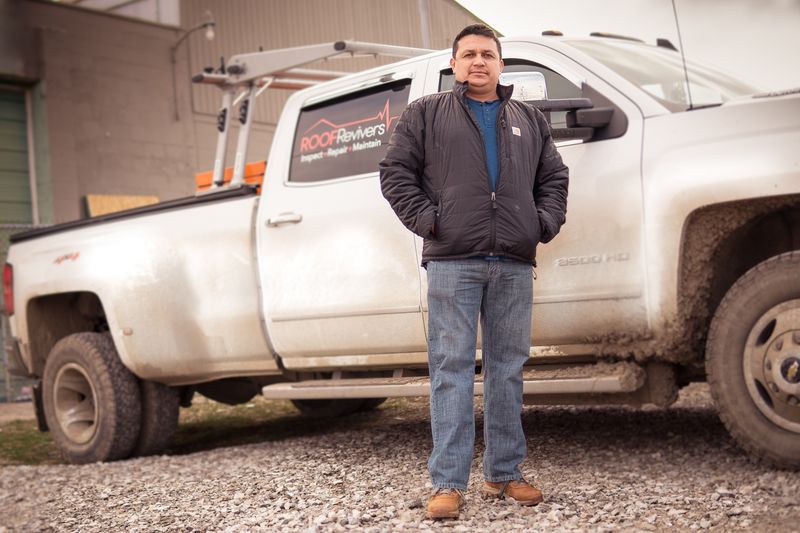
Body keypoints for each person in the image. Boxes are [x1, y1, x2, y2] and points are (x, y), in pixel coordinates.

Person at [379, 24, 569, 519]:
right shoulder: (426, 113)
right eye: (468, 55)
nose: (478, 61)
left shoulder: (529, 118)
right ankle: (447, 483)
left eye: (488, 54)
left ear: (501, 64)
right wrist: (429, 221)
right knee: (452, 371)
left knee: (507, 371)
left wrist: (540, 224)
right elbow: (394, 173)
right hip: (452, 262)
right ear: (454, 64)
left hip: (511, 261)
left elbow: (554, 177)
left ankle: (504, 474)